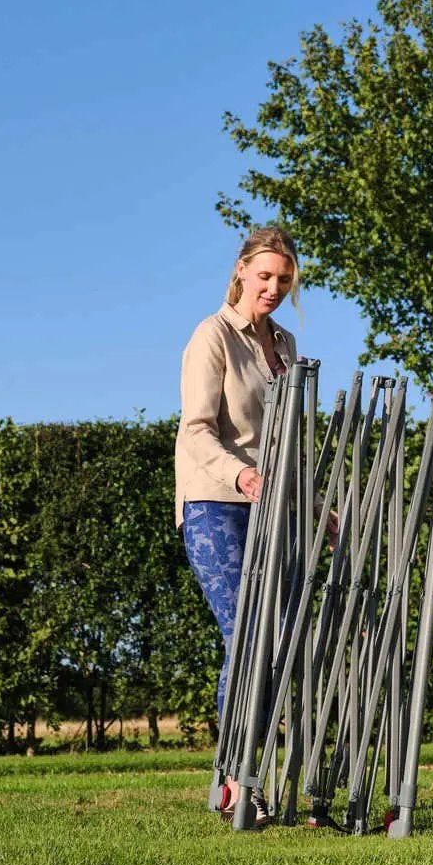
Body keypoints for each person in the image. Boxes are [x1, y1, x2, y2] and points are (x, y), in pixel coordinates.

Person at [176, 226, 299, 755]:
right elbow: (195, 428)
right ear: (242, 271)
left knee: (274, 640)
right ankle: (237, 770)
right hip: (215, 503)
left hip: (272, 505)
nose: (273, 287)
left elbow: (290, 441)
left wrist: (314, 506)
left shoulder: (287, 347)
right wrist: (241, 475)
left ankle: (263, 763)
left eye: (284, 279)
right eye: (265, 275)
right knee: (246, 632)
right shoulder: (213, 335)